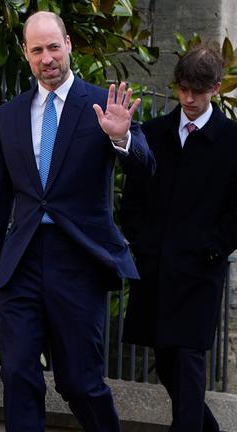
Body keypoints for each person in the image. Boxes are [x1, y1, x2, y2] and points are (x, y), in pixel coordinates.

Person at [0, 11, 155, 431]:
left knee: (80, 381)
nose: (47, 58)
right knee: (17, 374)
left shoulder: (101, 104)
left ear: (69, 44)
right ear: (25, 54)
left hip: (79, 260)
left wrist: (121, 138)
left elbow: (148, 168)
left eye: (53, 47)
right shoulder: (9, 116)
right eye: (37, 50)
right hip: (22, 263)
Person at [121, 45, 237, 432]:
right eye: (183, 89)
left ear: (216, 89)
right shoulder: (154, 133)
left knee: (188, 357)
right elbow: (132, 195)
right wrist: (141, 242)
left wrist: (214, 248)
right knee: (167, 360)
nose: (188, 99)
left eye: (197, 91)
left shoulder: (232, 141)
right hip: (155, 267)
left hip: (200, 272)